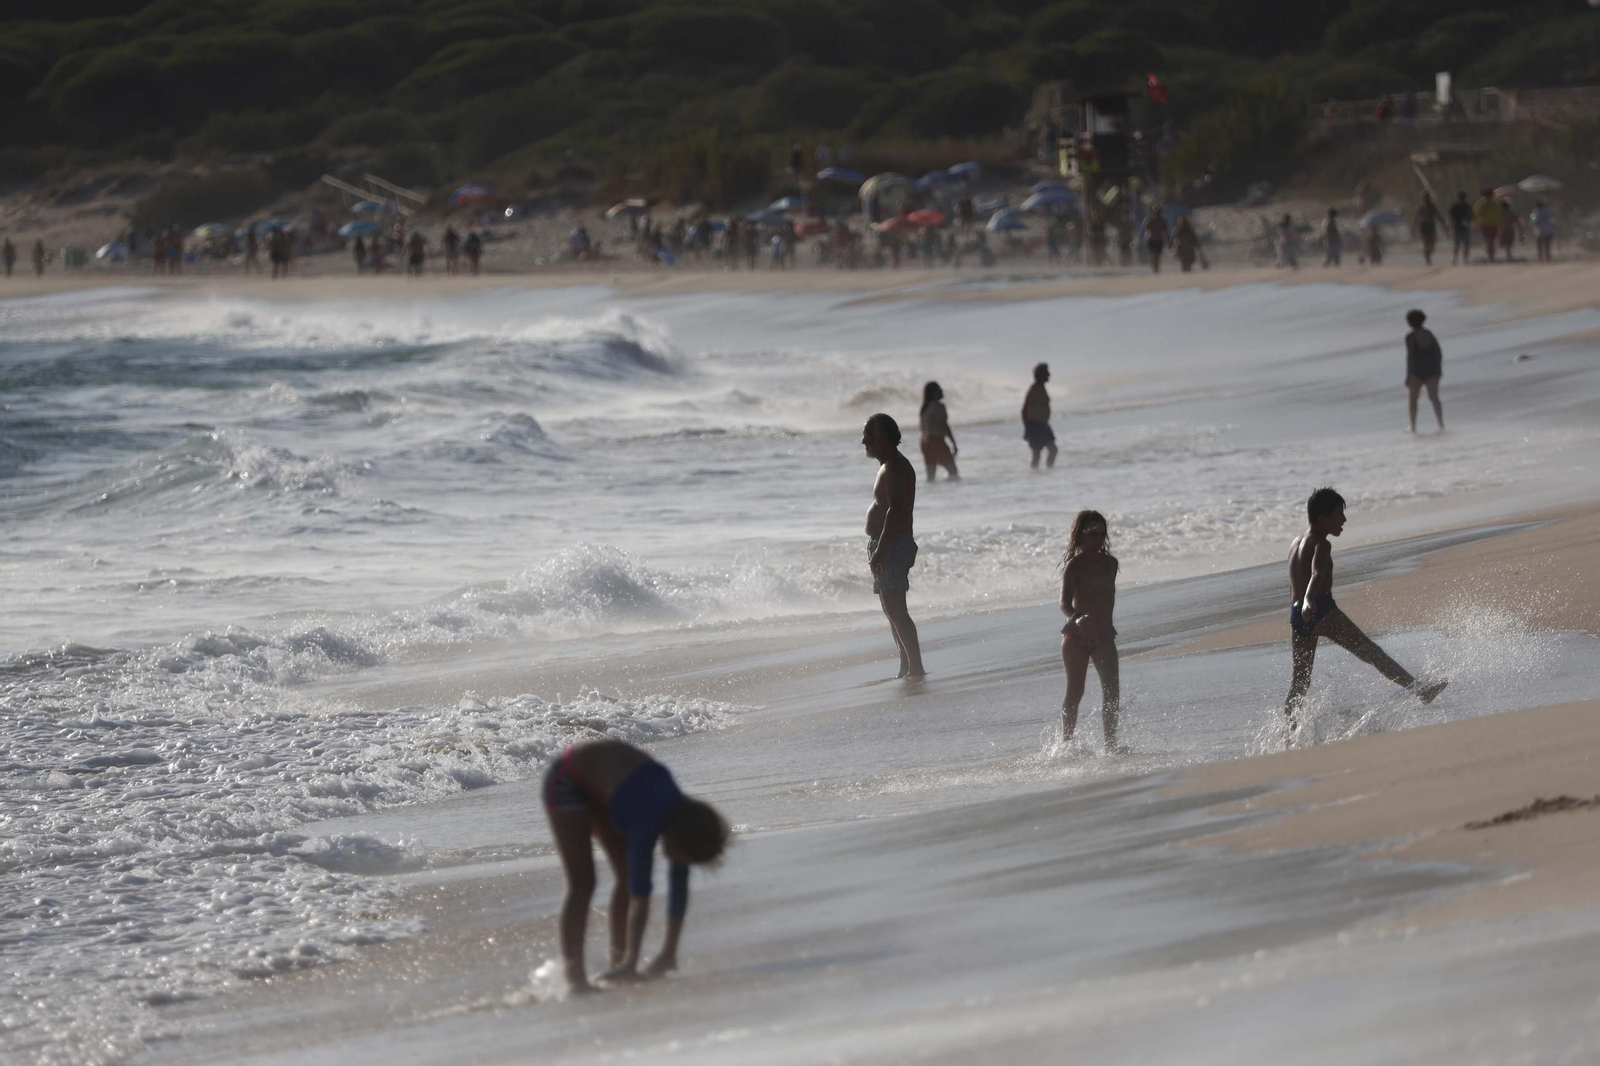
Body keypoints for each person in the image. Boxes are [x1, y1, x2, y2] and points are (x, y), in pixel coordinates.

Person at [543, 739, 728, 992]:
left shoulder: (683, 818)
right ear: (679, 841)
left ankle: (619, 964)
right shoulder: (647, 821)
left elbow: (679, 882)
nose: (680, 863)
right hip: (568, 780)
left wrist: (668, 953)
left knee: (626, 876)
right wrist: (634, 961)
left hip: (608, 789)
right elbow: (641, 892)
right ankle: (576, 980)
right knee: (583, 882)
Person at [1283, 488, 1448, 726]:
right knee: (1372, 653)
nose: (1344, 520)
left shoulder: (1295, 542)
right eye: (1338, 514)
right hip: (1320, 608)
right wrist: (1310, 599)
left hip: (1297, 615)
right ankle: (1420, 690)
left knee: (1299, 682)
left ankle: (1290, 732)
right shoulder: (1322, 544)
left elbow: (1295, 582)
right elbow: (1317, 574)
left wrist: (1301, 605)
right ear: (1322, 517)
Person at [862, 413, 924, 679]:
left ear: (884, 438)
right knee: (891, 609)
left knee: (896, 609)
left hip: (893, 543)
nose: (864, 441)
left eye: (869, 436)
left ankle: (915, 667)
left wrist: (882, 548)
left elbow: (896, 510)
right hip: (889, 542)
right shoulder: (888, 466)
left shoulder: (896, 466)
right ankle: (905, 666)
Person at [1059, 510, 1121, 749]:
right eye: (1092, 533)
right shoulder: (1074, 565)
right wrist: (1076, 617)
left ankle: (1110, 746)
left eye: (1101, 533)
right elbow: (1064, 603)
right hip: (1076, 638)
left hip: (1104, 636)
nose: (1097, 538)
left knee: (1112, 692)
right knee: (1075, 692)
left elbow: (1105, 599)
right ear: (1080, 535)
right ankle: (1066, 744)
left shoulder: (1111, 564)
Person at [1404, 308, 1444, 433]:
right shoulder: (1429, 334)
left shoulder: (1410, 337)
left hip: (1417, 372)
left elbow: (1410, 357)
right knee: (1434, 398)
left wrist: (1408, 375)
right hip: (1432, 370)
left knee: (1413, 399)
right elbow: (1438, 352)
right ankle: (1441, 423)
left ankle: (1413, 426)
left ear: (1410, 321)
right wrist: (1438, 368)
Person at [918, 382, 958, 482]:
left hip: (924, 442)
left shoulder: (924, 408)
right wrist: (953, 443)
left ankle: (932, 492)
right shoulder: (939, 406)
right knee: (953, 472)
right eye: (939, 389)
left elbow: (922, 427)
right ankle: (951, 490)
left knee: (930, 477)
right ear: (934, 393)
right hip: (936, 441)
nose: (942, 391)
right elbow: (945, 426)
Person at [1021, 362, 1057, 469]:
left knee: (1053, 450)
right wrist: (1027, 428)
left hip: (1043, 425)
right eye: (1047, 373)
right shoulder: (1034, 390)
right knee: (1037, 455)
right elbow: (1024, 410)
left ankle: (1049, 470)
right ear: (1041, 375)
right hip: (1035, 425)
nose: (1049, 375)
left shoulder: (1041, 388)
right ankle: (1036, 474)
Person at [1473, 188, 1500, 263]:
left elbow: (1475, 215)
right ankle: (1491, 256)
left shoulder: (1484, 203)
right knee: (1489, 241)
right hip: (1486, 225)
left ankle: (1491, 256)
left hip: (1489, 225)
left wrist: (1475, 225)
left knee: (1490, 241)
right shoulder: (1486, 204)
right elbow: (1476, 215)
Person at [1415, 193, 1440, 265]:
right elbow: (1416, 217)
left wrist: (1444, 226)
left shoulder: (1432, 206)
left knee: (1432, 244)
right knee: (1426, 243)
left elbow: (1438, 215)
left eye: (1427, 198)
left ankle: (1428, 254)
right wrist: (1413, 228)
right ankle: (1427, 258)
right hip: (1424, 226)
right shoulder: (1420, 207)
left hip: (1431, 225)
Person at [1448, 191, 1472, 264]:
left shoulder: (1467, 206)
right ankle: (1457, 258)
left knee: (1464, 244)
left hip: (1464, 227)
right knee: (1458, 244)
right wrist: (1450, 225)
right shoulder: (1455, 206)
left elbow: (1472, 215)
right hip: (1458, 227)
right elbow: (1451, 217)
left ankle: (1464, 258)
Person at [1144, 206, 1169, 274]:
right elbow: (1146, 230)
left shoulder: (1161, 221)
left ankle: (1156, 267)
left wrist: (1168, 239)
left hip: (1158, 240)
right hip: (1153, 240)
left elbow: (1166, 231)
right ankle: (1155, 267)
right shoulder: (1151, 220)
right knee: (1154, 254)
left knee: (1157, 255)